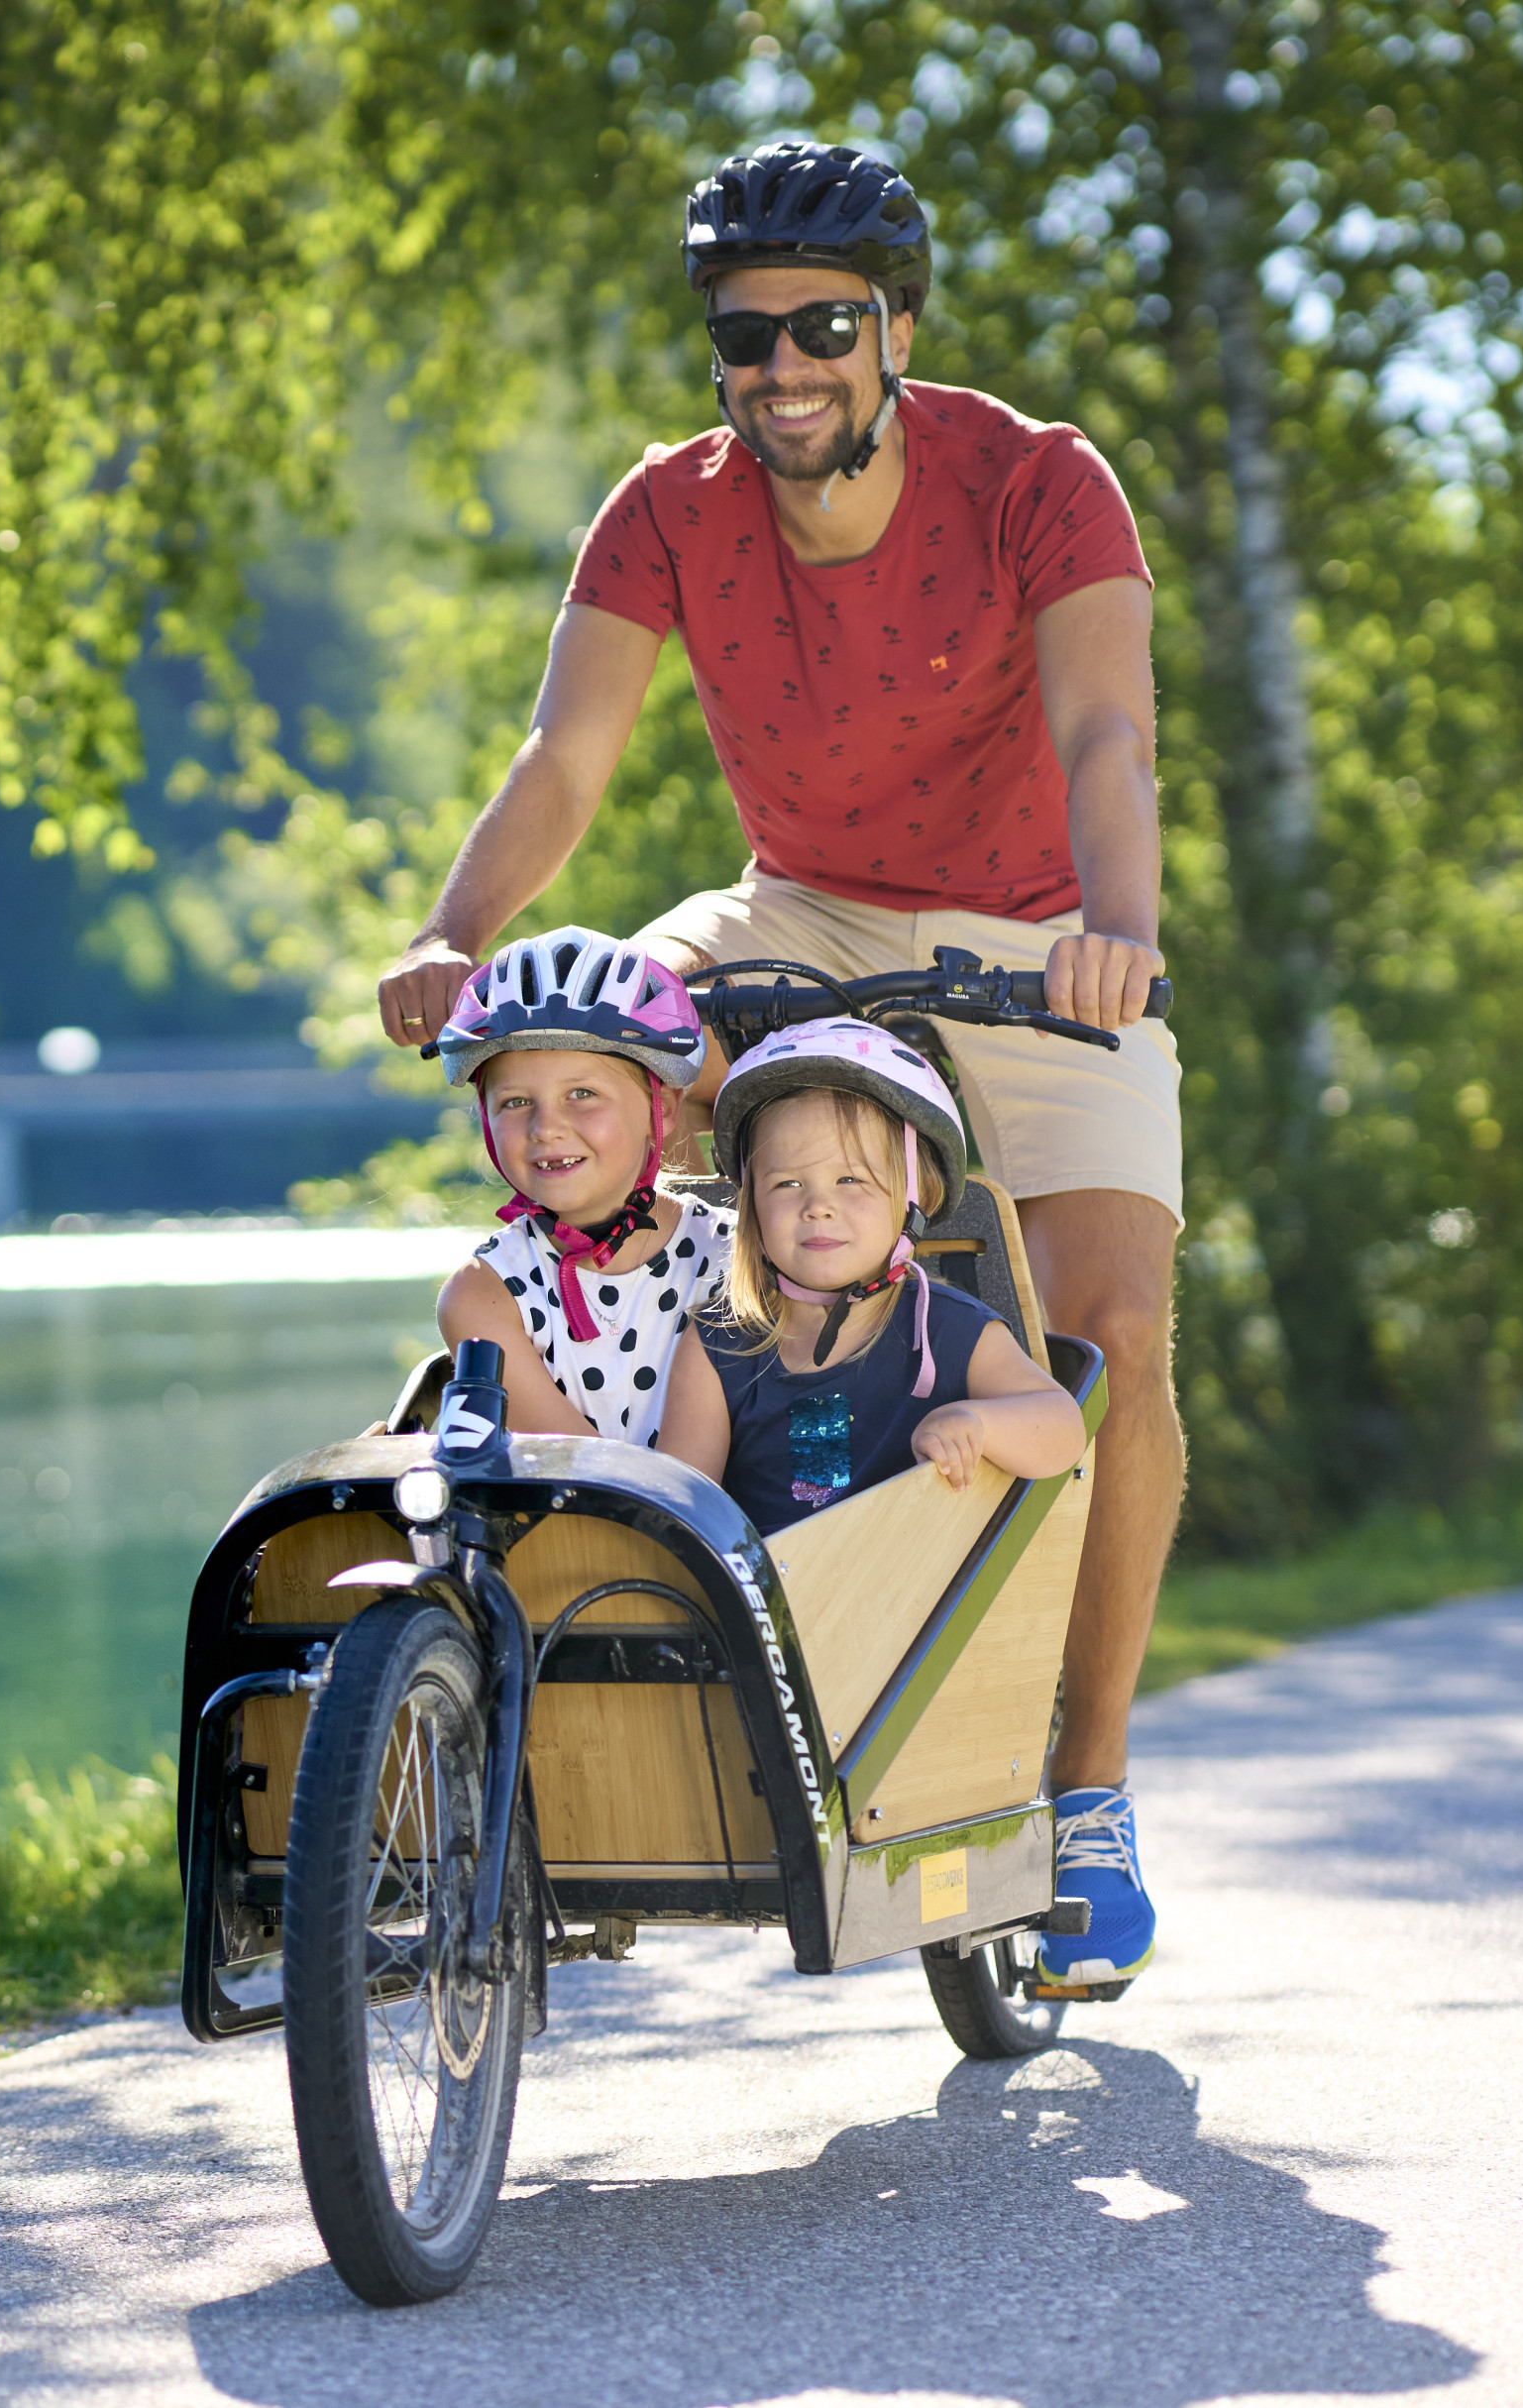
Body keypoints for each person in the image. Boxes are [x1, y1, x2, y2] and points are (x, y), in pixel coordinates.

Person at [378, 138, 1178, 1989]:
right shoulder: (669, 508)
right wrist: (450, 933)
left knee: (1116, 1328)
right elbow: (567, 758)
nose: (787, 366)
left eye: (827, 326)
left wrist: (1114, 937)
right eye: (749, 338)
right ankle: (540, 1570)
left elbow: (1106, 734)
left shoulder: (1037, 482)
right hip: (797, 907)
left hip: (1031, 930)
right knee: (577, 1039)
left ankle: (1090, 1794)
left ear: (896, 328)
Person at [657, 1020, 1087, 1529]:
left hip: (923, 1604)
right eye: (788, 1183)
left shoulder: (951, 1332)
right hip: (774, 1601)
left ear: (913, 1201)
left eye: (849, 1179)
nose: (818, 1206)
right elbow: (683, 1509)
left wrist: (978, 1424)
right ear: (751, 1207)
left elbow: (1063, 1427)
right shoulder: (718, 1345)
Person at [431, 928, 731, 1446]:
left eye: (582, 1093)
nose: (546, 1127)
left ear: (661, 1108)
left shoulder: (738, 1256)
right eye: (516, 1102)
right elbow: (593, 1482)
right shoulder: (484, 1293)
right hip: (581, 1526)